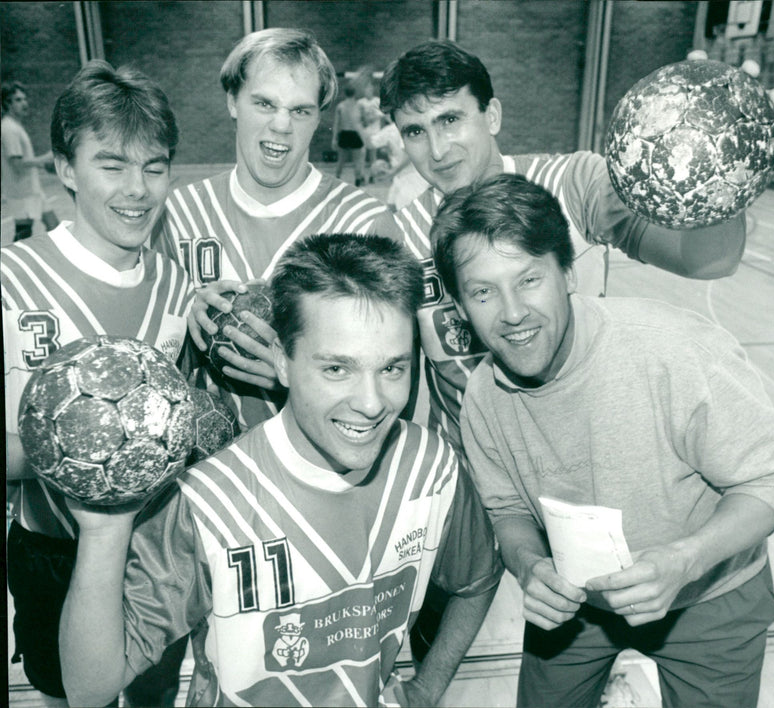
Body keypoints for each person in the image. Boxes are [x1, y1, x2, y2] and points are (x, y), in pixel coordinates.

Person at [58, 233, 503, 708]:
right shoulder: (207, 500)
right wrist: (103, 536)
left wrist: (426, 689)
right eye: (337, 369)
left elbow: (478, 579)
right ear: (282, 362)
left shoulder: (433, 468)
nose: (372, 403)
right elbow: (89, 689)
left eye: (392, 368)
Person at [432, 173, 774, 708]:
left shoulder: (675, 352)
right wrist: (530, 567)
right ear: (459, 307)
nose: (512, 313)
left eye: (529, 280)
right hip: (578, 609)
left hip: (712, 593)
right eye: (483, 291)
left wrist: (685, 562)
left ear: (568, 273)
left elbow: (771, 478)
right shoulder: (482, 396)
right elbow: (506, 511)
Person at [379, 39, 753, 451]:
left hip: (590, 453)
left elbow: (705, 262)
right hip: (472, 473)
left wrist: (725, 174)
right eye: (415, 130)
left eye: (450, 119)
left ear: (493, 116)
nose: (437, 149)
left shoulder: (573, 183)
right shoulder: (399, 236)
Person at [2, 61, 194, 708]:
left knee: (153, 691)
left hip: (155, 548)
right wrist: (83, 450)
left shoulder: (176, 288)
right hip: (53, 551)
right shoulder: (9, 282)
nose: (137, 189)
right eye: (112, 165)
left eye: (155, 166)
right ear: (64, 168)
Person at [150, 28, 400, 432]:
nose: (282, 124)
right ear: (233, 101)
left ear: (320, 117)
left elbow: (392, 384)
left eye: (300, 110)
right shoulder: (174, 215)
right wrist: (184, 329)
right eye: (265, 103)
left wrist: (295, 378)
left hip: (323, 475)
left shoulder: (365, 224)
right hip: (203, 474)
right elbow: (149, 370)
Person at [1, 81, 59, 242]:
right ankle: (11, 265)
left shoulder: (15, 126)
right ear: (7, 103)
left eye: (24, 99)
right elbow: (17, 165)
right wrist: (45, 158)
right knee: (24, 234)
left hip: (31, 190)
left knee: (54, 227)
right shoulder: (9, 129)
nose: (24, 103)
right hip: (21, 193)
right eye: (18, 100)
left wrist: (42, 164)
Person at [331, 82, 366, 185]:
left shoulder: (340, 106)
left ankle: (337, 177)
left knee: (341, 159)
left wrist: (334, 139)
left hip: (344, 134)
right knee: (357, 160)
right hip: (355, 134)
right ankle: (358, 179)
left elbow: (336, 124)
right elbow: (363, 121)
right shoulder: (359, 106)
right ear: (354, 93)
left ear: (345, 93)